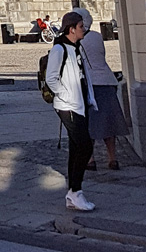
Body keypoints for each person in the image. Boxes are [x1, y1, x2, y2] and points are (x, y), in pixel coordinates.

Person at [45, 11, 98, 212]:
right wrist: (64, 95)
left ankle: (73, 193)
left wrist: (89, 98)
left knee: (77, 148)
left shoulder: (76, 47)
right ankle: (75, 191)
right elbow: (51, 78)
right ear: (71, 29)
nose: (84, 29)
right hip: (68, 106)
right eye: (81, 27)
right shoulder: (59, 49)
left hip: (80, 104)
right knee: (85, 147)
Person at [74, 7, 127, 170]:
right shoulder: (97, 36)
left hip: (89, 85)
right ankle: (112, 159)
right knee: (108, 123)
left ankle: (90, 160)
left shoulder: (76, 40)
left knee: (88, 124)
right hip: (107, 80)